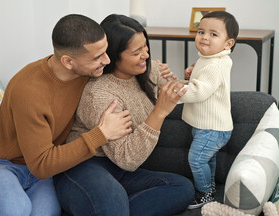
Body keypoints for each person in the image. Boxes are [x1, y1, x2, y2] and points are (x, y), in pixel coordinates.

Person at [0, 14, 135, 216]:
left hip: (43, 174)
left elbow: (130, 62)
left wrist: (158, 72)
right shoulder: (29, 91)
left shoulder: (87, 70)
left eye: (105, 51)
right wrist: (101, 133)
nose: (107, 60)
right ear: (68, 61)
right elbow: (41, 164)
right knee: (16, 211)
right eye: (97, 57)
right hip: (4, 165)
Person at [54, 14, 195, 216]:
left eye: (145, 47)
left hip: (119, 171)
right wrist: (159, 112)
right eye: (136, 52)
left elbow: (176, 92)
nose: (145, 55)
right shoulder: (100, 95)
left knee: (182, 188)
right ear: (112, 55)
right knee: (111, 204)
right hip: (84, 167)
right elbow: (127, 158)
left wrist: (197, 77)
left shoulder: (149, 70)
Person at [180, 11, 239, 209]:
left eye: (213, 34)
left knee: (196, 160)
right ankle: (210, 186)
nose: (205, 37)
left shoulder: (216, 64)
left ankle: (204, 193)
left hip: (213, 128)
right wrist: (190, 72)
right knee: (207, 159)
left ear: (228, 43)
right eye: (201, 31)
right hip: (207, 125)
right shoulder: (209, 59)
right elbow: (202, 77)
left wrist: (173, 94)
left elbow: (199, 92)